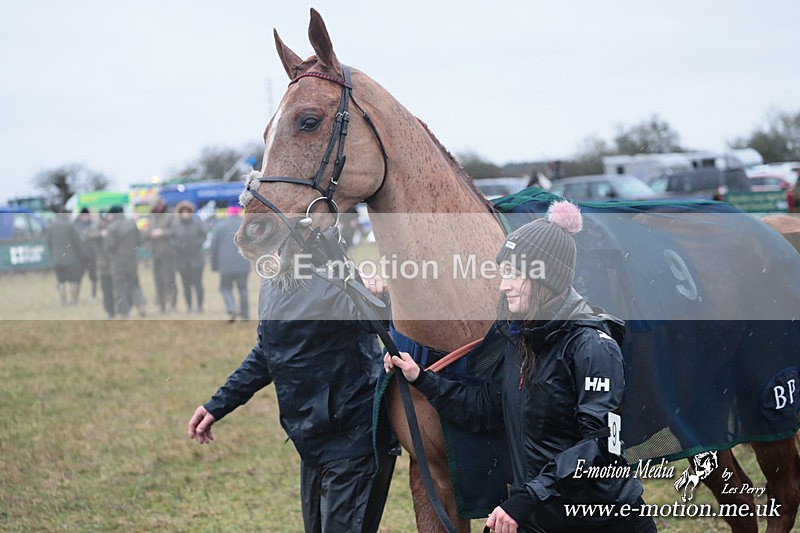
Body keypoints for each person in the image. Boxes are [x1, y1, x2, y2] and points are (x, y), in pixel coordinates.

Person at [385, 201, 656, 532]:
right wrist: (421, 378)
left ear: (545, 279)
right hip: (537, 518)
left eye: (515, 274)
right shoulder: (517, 338)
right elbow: (486, 406)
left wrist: (528, 498)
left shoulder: (592, 346)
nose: (503, 285)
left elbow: (600, 446)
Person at [188, 269, 396, 533]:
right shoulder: (273, 283)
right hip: (312, 441)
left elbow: (380, 321)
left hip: (353, 438)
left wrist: (377, 301)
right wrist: (217, 405)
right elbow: (268, 353)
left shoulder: (336, 279)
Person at [209, 205, 250, 321]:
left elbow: (213, 247)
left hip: (225, 265)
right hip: (243, 263)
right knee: (243, 289)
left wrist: (214, 265)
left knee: (225, 288)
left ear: (228, 214)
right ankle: (245, 315)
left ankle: (231, 308)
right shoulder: (245, 226)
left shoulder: (220, 226)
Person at [104, 205, 146, 318]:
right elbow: (140, 240)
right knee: (134, 283)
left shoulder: (112, 227)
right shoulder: (131, 224)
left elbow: (109, 245)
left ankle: (124, 310)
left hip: (118, 260)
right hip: (132, 259)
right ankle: (140, 305)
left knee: (120, 285)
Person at [172, 200, 206, 313]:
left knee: (198, 284)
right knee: (186, 284)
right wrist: (178, 246)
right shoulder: (176, 225)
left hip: (196, 259)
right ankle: (189, 306)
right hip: (182, 259)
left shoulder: (197, 224)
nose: (185, 214)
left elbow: (203, 236)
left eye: (187, 212)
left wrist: (197, 243)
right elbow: (172, 238)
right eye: (183, 212)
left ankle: (199, 306)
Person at [145, 197, 178, 314]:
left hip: (168, 253)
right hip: (155, 253)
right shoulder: (151, 217)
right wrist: (150, 234)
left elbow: (175, 231)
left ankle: (172, 304)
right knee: (158, 280)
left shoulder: (170, 215)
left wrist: (162, 232)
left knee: (169, 279)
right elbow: (147, 232)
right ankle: (161, 305)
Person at [46, 211, 84, 305]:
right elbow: (77, 241)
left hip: (57, 258)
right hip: (71, 258)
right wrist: (80, 254)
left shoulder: (51, 227)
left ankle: (63, 301)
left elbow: (49, 243)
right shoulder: (70, 225)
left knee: (61, 280)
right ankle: (74, 300)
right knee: (73, 279)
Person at [73, 207, 98, 303]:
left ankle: (93, 296)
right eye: (83, 215)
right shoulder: (76, 225)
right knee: (78, 277)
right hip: (80, 256)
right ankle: (75, 297)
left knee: (93, 277)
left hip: (92, 255)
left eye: (87, 215)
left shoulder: (93, 224)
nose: (85, 217)